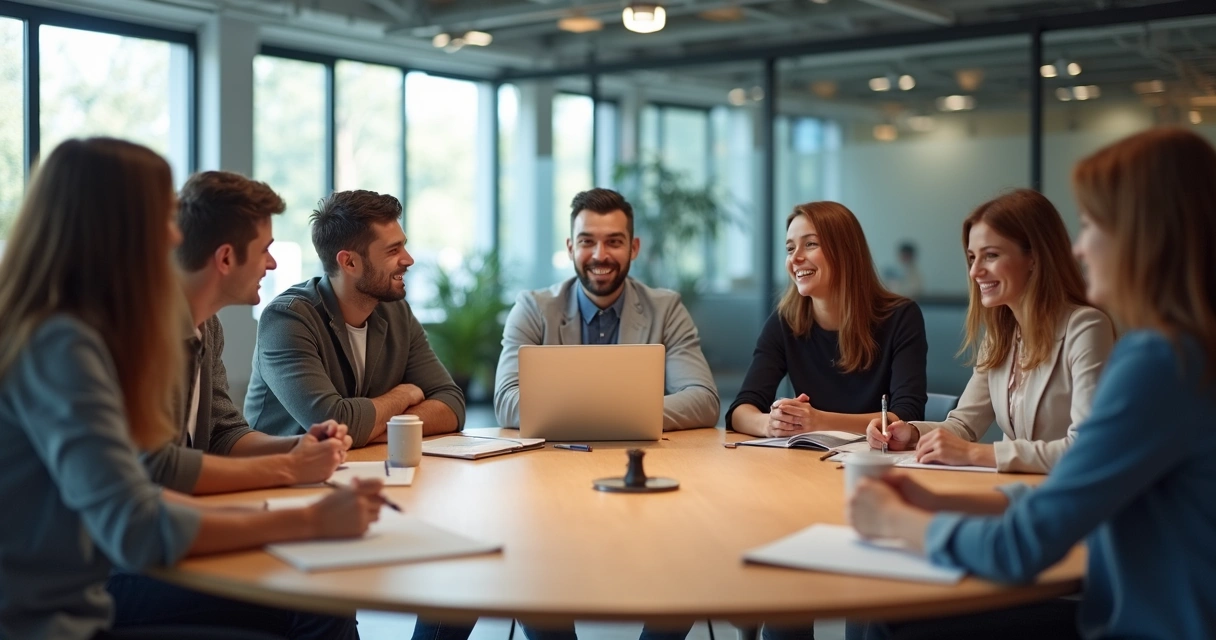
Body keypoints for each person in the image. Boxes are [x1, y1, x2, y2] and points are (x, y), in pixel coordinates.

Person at [0, 137, 383, 640]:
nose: (176, 236)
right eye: (163, 217)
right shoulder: (64, 343)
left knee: (314, 595)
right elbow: (135, 519)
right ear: (118, 229)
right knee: (311, 600)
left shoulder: (74, 329)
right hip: (59, 620)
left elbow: (146, 484)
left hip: (81, 596)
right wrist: (307, 519)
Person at [848, 127, 1216, 639]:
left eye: (1092, 226)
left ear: (1146, 238)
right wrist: (937, 499)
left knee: (886, 618)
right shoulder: (1188, 354)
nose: (1081, 250)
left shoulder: (1159, 363)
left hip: (1134, 624)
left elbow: (1025, 543)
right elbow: (1070, 490)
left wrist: (897, 522)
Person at [866, 190, 1115, 473]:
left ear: (1034, 258)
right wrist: (910, 433)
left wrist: (976, 453)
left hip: (1067, 500)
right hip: (1013, 493)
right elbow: (963, 424)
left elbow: (1089, 448)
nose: (974, 271)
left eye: (991, 255)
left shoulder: (1086, 328)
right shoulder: (1002, 335)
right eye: (972, 257)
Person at [141, 170, 351, 496]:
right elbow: (159, 469)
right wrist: (290, 468)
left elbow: (223, 434)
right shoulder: (142, 331)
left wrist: (300, 445)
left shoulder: (208, 326)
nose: (272, 265)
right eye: (265, 250)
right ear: (226, 257)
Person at [246, 189, 465, 447]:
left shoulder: (397, 313)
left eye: (403, 245)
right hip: (286, 480)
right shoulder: (287, 319)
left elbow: (452, 404)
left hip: (366, 467)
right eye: (393, 250)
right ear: (349, 263)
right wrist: (403, 394)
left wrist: (374, 431)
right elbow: (334, 424)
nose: (408, 259)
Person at [494, 187, 720, 432]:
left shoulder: (666, 310)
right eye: (587, 242)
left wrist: (591, 415)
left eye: (613, 242)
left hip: (641, 459)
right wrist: (624, 415)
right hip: (554, 458)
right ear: (571, 248)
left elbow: (703, 400)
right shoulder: (532, 309)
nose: (600, 255)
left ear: (633, 248)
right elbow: (506, 402)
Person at [727, 201, 927, 439]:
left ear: (845, 252)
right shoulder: (785, 322)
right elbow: (740, 410)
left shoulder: (901, 317)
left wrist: (819, 421)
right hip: (808, 464)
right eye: (790, 249)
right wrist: (770, 424)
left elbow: (907, 416)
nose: (796, 258)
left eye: (810, 244)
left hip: (874, 465)